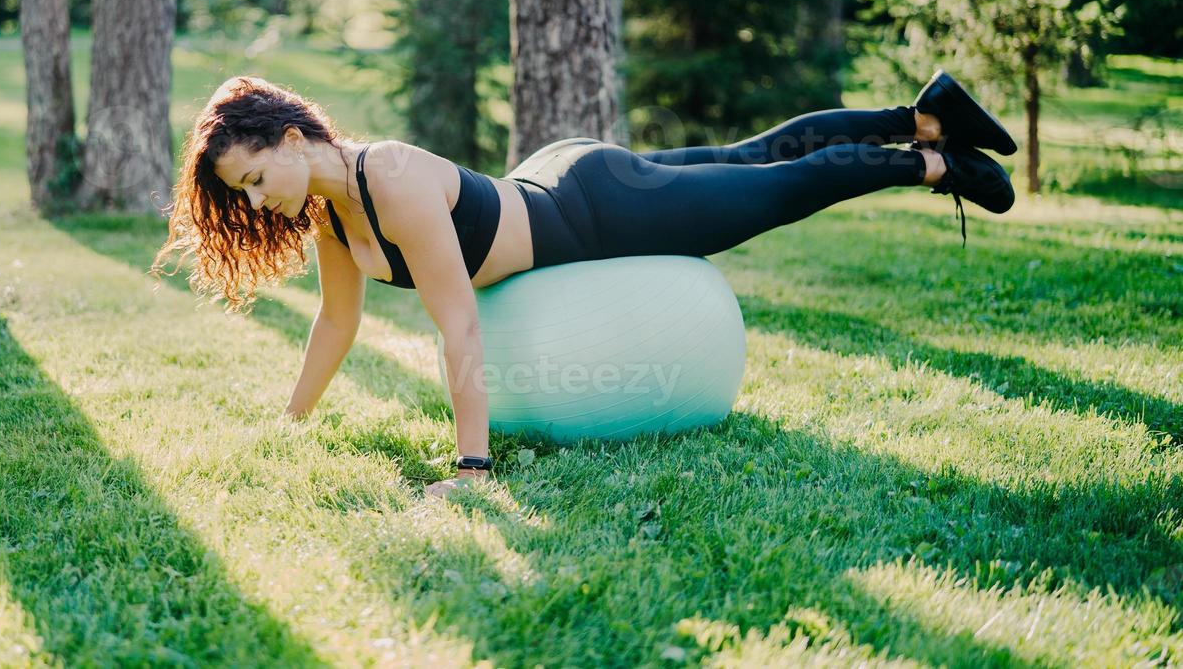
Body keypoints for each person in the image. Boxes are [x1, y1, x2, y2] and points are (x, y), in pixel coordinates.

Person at [154, 69, 1016, 499]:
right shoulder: (334, 218)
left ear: (292, 138)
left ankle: (932, 162)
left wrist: (472, 462)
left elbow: (459, 327)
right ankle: (925, 110)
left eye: (254, 177)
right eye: (242, 194)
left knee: (773, 190)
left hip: (596, 209)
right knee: (750, 157)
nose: (257, 201)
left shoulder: (397, 182)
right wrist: (290, 424)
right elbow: (335, 328)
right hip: (564, 182)